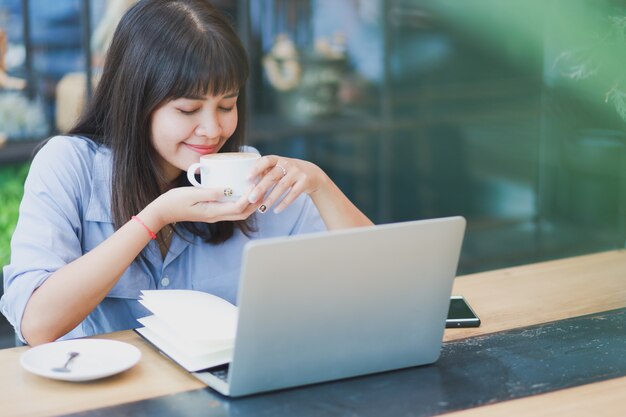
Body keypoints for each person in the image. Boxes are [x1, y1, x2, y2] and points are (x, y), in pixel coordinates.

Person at [0, 0, 372, 346]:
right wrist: (154, 217)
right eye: (188, 110)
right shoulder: (69, 166)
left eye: (227, 105)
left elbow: (376, 282)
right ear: (136, 103)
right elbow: (37, 325)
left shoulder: (251, 175)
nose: (212, 129)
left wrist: (321, 185)